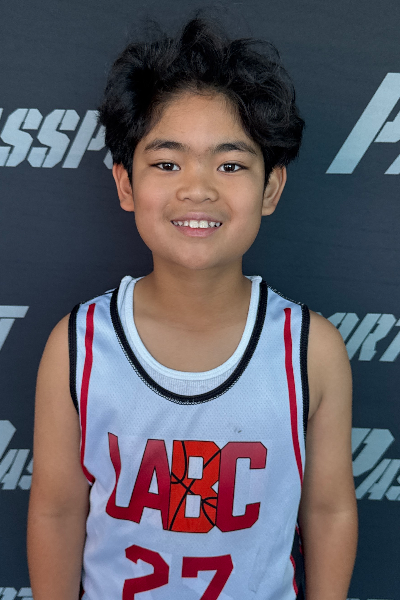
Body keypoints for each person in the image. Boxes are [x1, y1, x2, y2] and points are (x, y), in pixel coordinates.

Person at [27, 14, 358, 600]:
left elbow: (329, 510)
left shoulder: (311, 351)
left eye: (230, 165)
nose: (198, 188)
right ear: (126, 185)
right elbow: (56, 512)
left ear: (271, 188)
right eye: (167, 163)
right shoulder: (78, 345)